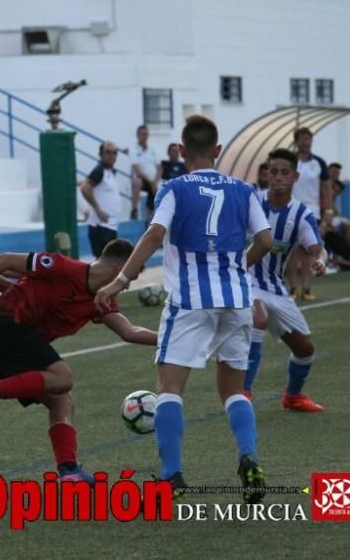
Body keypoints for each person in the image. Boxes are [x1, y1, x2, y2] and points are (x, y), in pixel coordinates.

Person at [94, 115, 273, 500]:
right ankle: (248, 457)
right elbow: (266, 239)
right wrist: (240, 265)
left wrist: (121, 280)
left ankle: (171, 475)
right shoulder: (243, 190)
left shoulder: (174, 188)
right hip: (237, 299)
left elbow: (156, 233)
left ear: (180, 149)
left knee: (170, 388)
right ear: (218, 150)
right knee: (234, 391)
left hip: (190, 300)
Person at [0, 240, 158, 483]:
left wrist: (170, 341)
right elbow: (6, 260)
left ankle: (68, 470)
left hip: (9, 343)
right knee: (63, 378)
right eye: (130, 278)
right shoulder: (62, 267)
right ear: (120, 270)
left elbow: (129, 332)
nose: (126, 287)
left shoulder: (101, 300)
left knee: (62, 401)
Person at [242, 149, 327, 412]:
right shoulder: (251, 202)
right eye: (273, 172)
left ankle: (292, 396)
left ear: (295, 177)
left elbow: (317, 248)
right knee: (258, 318)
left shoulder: (301, 214)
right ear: (266, 174)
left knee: (305, 349)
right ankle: (241, 394)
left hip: (274, 287)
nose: (277, 177)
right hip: (243, 279)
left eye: (284, 173)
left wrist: (320, 260)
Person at [290, 127, 332, 300]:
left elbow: (326, 189)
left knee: (309, 251)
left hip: (312, 212)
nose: (305, 142)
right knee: (293, 252)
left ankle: (306, 288)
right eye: (302, 138)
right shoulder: (290, 162)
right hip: (291, 210)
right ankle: (292, 289)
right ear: (296, 141)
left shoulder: (319, 163)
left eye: (308, 138)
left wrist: (328, 211)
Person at [80, 141, 121, 258]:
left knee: (110, 264)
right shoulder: (99, 170)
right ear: (101, 154)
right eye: (108, 152)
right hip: (101, 226)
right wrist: (98, 210)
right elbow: (85, 188)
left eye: (114, 153)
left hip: (110, 225)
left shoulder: (110, 172)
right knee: (105, 264)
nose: (111, 155)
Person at [130, 124, 158, 220]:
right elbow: (137, 171)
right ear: (137, 135)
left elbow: (160, 167)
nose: (144, 136)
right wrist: (151, 182)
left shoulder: (153, 149)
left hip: (153, 181)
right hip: (143, 180)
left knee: (155, 197)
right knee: (137, 182)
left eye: (146, 134)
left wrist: (156, 181)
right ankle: (134, 210)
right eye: (142, 134)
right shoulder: (133, 149)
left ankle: (150, 222)